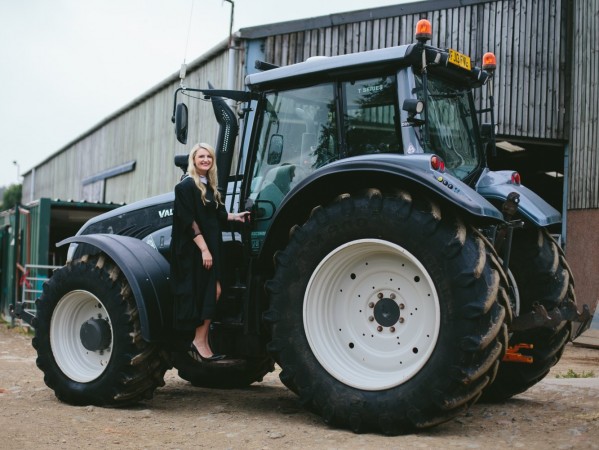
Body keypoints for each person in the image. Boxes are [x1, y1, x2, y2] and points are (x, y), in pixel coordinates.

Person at [170, 142, 249, 363]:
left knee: (214, 291)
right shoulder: (185, 187)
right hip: (195, 250)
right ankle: (199, 340)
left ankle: (201, 340)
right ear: (193, 160)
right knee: (209, 292)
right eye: (201, 156)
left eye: (209, 157)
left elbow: (218, 216)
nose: (205, 160)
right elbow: (189, 221)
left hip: (210, 248)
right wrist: (204, 249)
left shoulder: (211, 187)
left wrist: (236, 216)